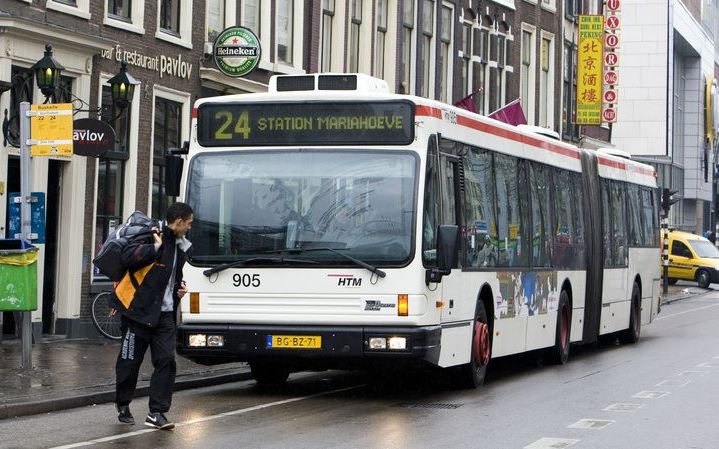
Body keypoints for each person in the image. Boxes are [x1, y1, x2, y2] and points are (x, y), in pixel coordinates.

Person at [113, 202, 194, 430]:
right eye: (188, 223)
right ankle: (122, 403)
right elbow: (128, 257)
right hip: (138, 314)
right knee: (129, 364)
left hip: (165, 315)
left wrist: (178, 288)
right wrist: (154, 248)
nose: (189, 227)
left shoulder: (180, 245)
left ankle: (156, 412)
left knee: (166, 361)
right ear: (178, 221)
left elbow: (170, 276)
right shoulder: (151, 235)